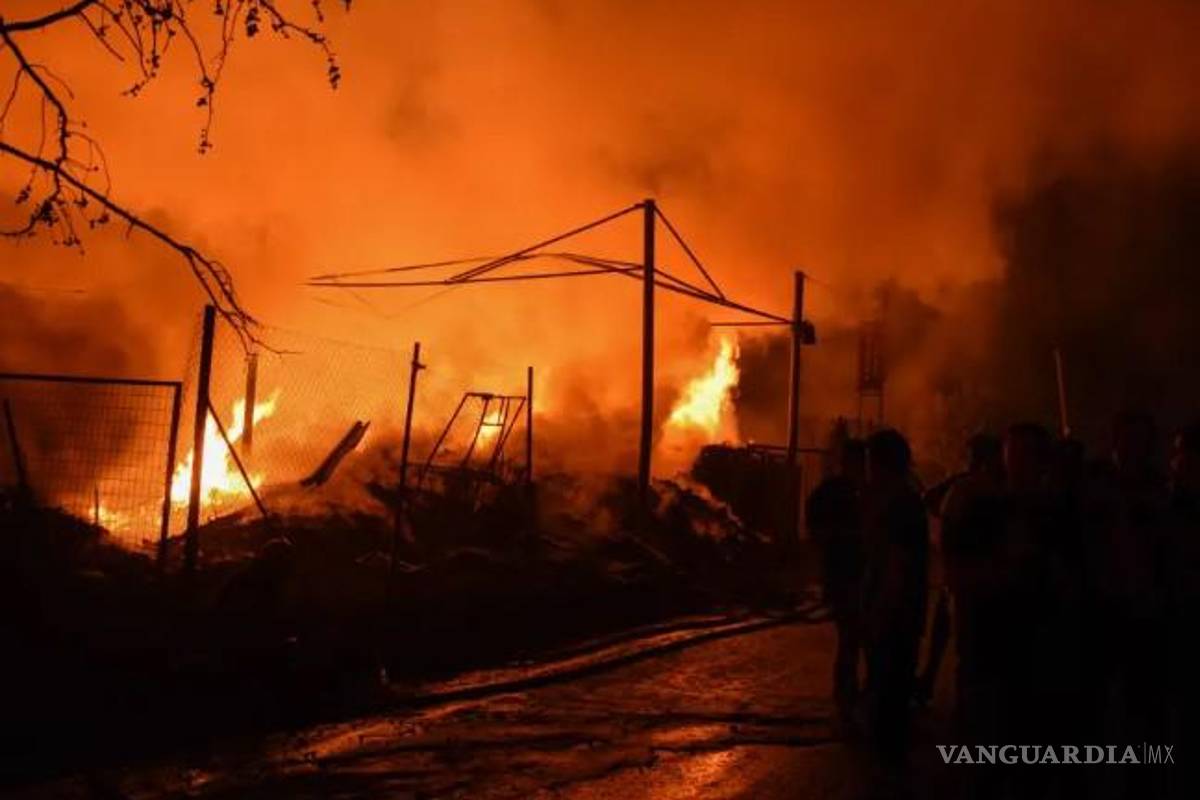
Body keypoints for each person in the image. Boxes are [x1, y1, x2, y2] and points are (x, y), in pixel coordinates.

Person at [860, 428, 928, 762]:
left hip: (894, 619)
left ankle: (887, 773)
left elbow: (896, 566)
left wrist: (879, 615)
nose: (868, 470)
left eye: (872, 461)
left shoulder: (899, 504)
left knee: (887, 701)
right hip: (901, 616)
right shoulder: (903, 499)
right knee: (890, 696)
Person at [807, 438, 867, 727]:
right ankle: (846, 697)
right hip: (845, 576)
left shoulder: (866, 492)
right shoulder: (834, 493)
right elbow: (815, 530)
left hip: (858, 575)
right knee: (851, 639)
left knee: (856, 639)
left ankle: (854, 695)